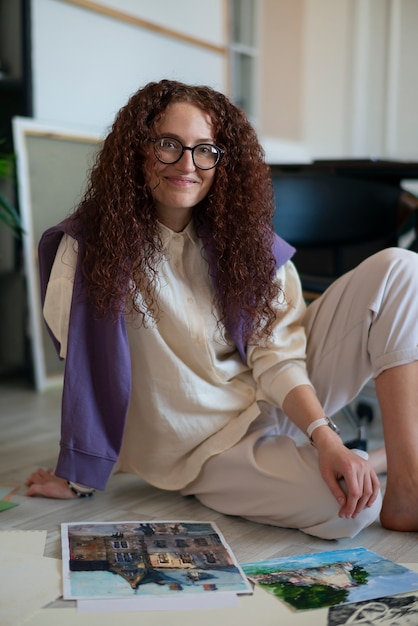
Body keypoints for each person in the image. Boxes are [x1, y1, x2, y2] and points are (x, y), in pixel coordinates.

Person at [25, 79, 418, 540]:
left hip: (281, 400)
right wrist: (78, 470)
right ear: (137, 149)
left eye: (205, 149)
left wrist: (324, 435)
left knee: (401, 268)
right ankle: (379, 457)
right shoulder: (88, 249)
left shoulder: (244, 240)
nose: (188, 165)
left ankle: (406, 485)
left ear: (221, 160)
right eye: (169, 145)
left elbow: (277, 355)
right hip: (203, 446)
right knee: (347, 510)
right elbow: (87, 369)